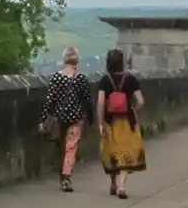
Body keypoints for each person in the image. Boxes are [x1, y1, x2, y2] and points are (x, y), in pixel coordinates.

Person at [39, 47, 95, 192]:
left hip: (58, 118)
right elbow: (87, 101)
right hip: (76, 118)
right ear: (77, 60)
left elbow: (50, 101)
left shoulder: (56, 77)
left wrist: (44, 120)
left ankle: (61, 174)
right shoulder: (81, 78)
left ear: (64, 59)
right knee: (71, 147)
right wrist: (91, 117)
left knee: (60, 147)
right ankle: (66, 177)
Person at [97, 48, 146, 199]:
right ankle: (122, 186)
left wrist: (100, 123)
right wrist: (133, 109)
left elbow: (100, 103)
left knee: (111, 151)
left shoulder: (105, 81)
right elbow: (141, 101)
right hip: (127, 121)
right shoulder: (130, 79)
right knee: (125, 152)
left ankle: (113, 181)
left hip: (110, 120)